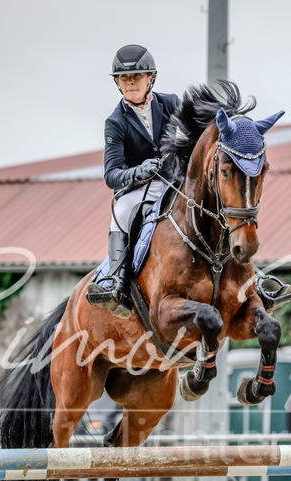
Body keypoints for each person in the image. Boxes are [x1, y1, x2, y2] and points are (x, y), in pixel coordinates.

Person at [86, 44, 182, 314]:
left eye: (136, 76)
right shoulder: (115, 122)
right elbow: (112, 175)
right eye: (124, 78)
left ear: (150, 78)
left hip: (174, 183)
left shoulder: (172, 103)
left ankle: (255, 279)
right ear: (118, 82)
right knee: (122, 210)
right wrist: (138, 171)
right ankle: (115, 281)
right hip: (138, 189)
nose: (130, 83)